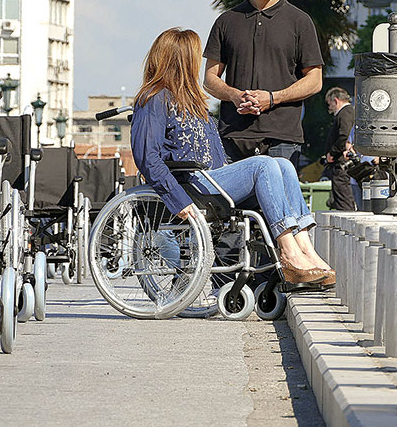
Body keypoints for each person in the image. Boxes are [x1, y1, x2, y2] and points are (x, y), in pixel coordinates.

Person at [132, 28, 334, 285]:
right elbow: (147, 157)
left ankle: (305, 248)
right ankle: (288, 252)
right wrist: (178, 200)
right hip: (191, 183)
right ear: (181, 61)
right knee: (263, 165)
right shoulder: (154, 99)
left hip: (211, 178)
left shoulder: (193, 103)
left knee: (282, 164)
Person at [203, 0, 323, 169]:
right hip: (232, 137)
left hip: (282, 139)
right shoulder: (227, 21)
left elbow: (315, 80)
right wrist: (235, 95)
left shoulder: (300, 22)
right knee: (230, 205)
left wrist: (272, 98)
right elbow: (209, 79)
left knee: (277, 205)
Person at [324, 86, 356, 211]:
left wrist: (332, 153)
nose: (329, 107)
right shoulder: (347, 112)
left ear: (336, 100)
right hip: (341, 161)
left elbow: (344, 135)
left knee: (343, 198)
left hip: (341, 163)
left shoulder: (345, 113)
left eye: (329, 104)